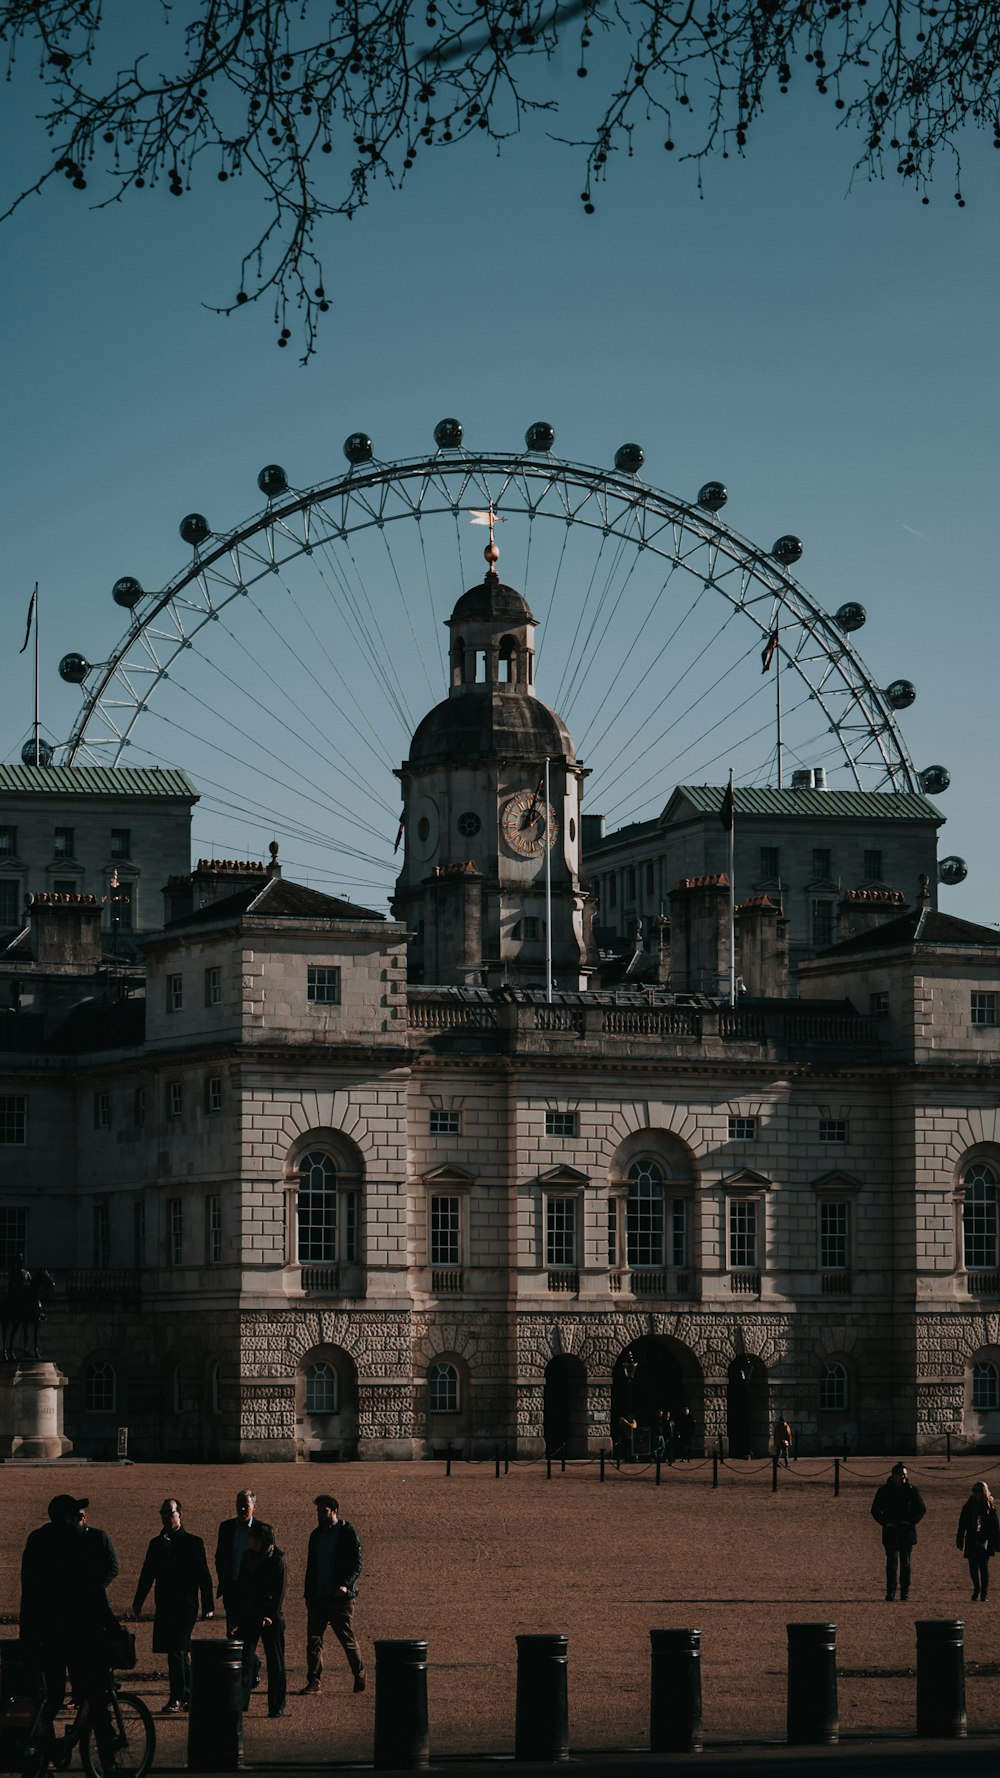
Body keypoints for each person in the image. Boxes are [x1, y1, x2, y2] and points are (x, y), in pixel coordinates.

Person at [21, 1496, 121, 1767]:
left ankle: (43, 1751)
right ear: (66, 1517)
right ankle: (108, 1762)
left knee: (51, 1697)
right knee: (95, 1695)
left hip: (44, 1633)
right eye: (75, 1512)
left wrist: (27, 1633)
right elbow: (93, 1593)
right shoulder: (77, 1543)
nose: (81, 1516)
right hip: (78, 1634)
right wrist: (113, 1628)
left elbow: (28, 1591)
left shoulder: (36, 1540)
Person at [131, 1498, 214, 1712]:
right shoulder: (155, 1543)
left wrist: (208, 1605)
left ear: (180, 1514)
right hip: (166, 1605)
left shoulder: (193, 1542)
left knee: (175, 1650)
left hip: (185, 1606)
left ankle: (177, 1697)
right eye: (164, 1513)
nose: (167, 1517)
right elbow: (147, 1573)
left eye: (170, 1512)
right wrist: (138, 1601)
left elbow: (203, 1576)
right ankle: (192, 1695)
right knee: (179, 1650)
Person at [300, 1495, 365, 1695]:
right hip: (318, 1596)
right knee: (314, 1640)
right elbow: (312, 1566)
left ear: (334, 1511)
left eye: (323, 1511)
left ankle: (359, 1673)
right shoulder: (316, 1535)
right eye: (318, 1512)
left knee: (346, 1638)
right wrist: (308, 1594)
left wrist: (345, 1585)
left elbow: (357, 1563)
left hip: (339, 1598)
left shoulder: (347, 1532)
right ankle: (314, 1680)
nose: (319, 1515)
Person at [235, 1520, 287, 1717]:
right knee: (245, 1660)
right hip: (249, 1616)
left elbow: (279, 1592)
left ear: (260, 1540)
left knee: (276, 1663)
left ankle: (277, 1705)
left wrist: (270, 1615)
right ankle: (240, 1703)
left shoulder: (276, 1561)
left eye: (251, 1537)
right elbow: (241, 1589)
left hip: (270, 1618)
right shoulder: (247, 1558)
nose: (247, 1540)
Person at [871, 1462, 926, 1601]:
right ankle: (891, 1591)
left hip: (906, 1532)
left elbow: (921, 1509)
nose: (904, 1477)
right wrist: (885, 1523)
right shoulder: (884, 1491)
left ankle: (904, 1592)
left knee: (906, 1564)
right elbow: (875, 1510)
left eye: (905, 1475)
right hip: (891, 1532)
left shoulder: (912, 1490)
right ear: (894, 1476)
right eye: (901, 1475)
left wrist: (911, 1521)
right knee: (892, 1564)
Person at [215, 1489, 256, 1636]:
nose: (242, 1509)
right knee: (232, 1634)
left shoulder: (261, 1530)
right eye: (239, 1505)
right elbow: (220, 1557)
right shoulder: (226, 1528)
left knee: (250, 1635)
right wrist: (224, 1581)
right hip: (232, 1588)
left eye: (246, 1505)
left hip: (252, 1591)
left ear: (254, 1506)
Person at [956, 1480, 1000, 1602]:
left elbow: (995, 1527)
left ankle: (984, 1593)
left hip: (985, 1540)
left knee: (983, 1567)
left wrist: (996, 1543)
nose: (974, 1493)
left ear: (983, 1492)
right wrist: (959, 1539)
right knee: (973, 1567)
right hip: (972, 1538)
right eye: (973, 1491)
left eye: (977, 1491)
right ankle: (976, 1588)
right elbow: (962, 1524)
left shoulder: (990, 1507)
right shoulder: (968, 1506)